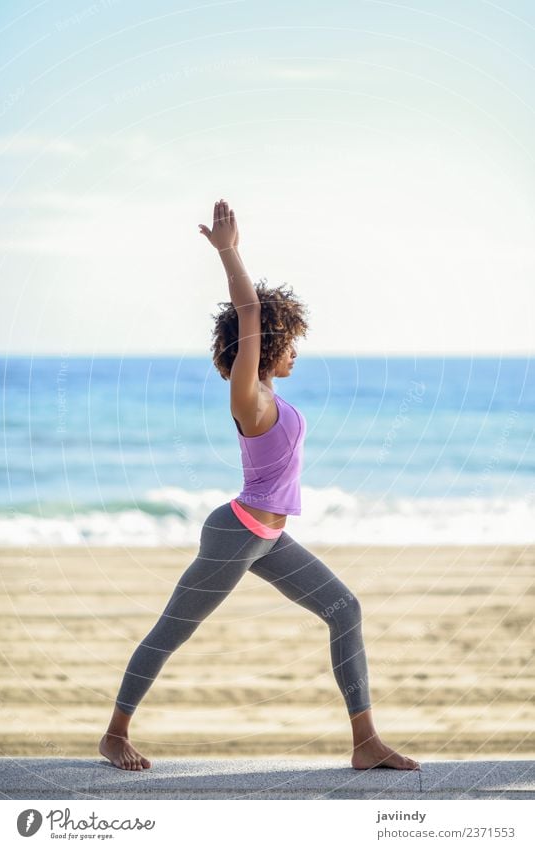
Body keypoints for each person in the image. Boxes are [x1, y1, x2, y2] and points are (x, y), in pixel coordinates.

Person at [98, 198, 420, 772]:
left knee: (345, 608)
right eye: (289, 340)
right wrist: (230, 251)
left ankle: (365, 741)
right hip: (235, 533)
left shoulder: (276, 396)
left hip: (269, 539)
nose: (296, 349)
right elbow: (248, 311)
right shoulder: (248, 396)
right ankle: (115, 732)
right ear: (270, 343)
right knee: (174, 630)